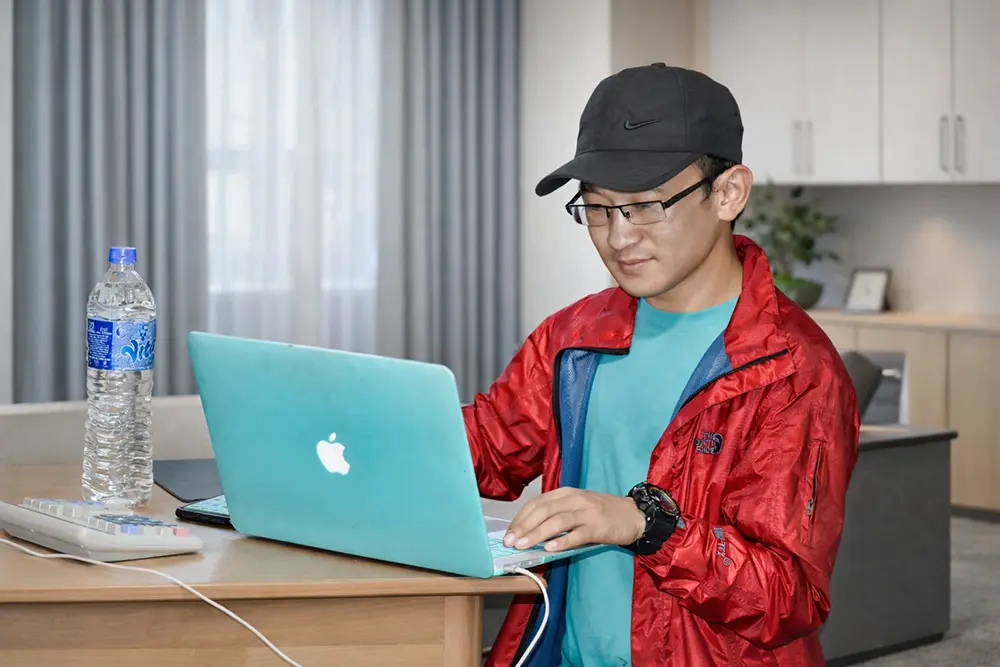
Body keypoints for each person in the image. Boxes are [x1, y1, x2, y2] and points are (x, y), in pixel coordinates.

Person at [463, 63, 860, 667]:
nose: (619, 238)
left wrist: (646, 526)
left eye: (646, 206)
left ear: (728, 193)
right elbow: (489, 451)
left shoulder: (793, 371)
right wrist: (372, 428)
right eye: (597, 209)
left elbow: (787, 596)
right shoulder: (574, 334)